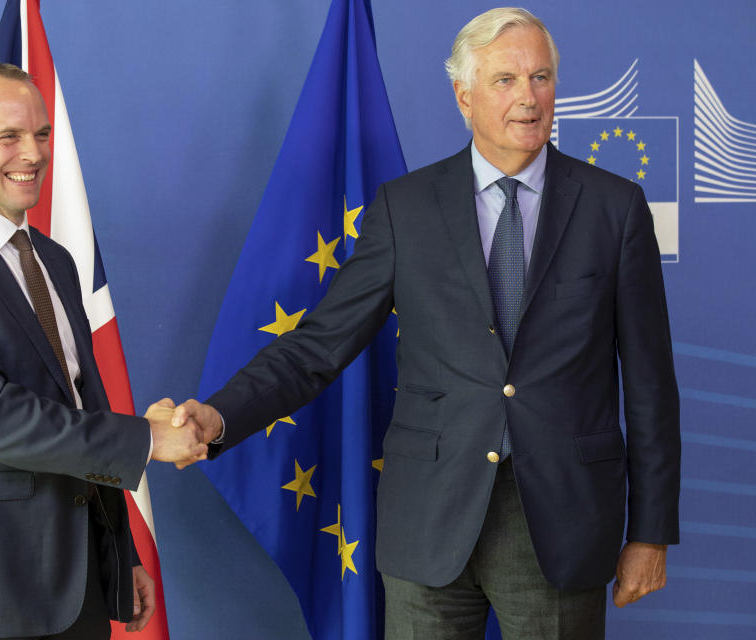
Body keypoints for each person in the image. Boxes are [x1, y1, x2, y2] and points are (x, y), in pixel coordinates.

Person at [173, 8, 680, 639]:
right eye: (505, 80)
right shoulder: (404, 208)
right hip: (428, 523)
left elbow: (652, 387)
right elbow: (317, 346)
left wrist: (650, 532)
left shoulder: (615, 208)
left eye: (541, 77)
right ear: (464, 96)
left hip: (562, 521)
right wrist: (220, 416)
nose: (528, 97)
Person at [0, 62, 207, 640]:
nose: (33, 153)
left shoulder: (54, 260)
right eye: (9, 136)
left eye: (42, 133)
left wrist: (119, 554)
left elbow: (81, 405)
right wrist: (149, 438)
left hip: (78, 583)